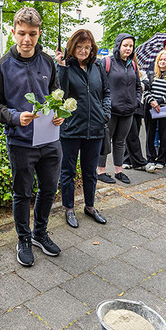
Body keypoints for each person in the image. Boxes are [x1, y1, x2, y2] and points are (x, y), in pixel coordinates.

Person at [0, 7, 64, 267]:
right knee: (22, 193)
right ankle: (24, 238)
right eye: (21, 33)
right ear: (13, 32)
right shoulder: (2, 67)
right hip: (20, 141)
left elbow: (55, 93)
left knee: (50, 188)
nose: (27, 39)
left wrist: (60, 112)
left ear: (39, 33)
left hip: (50, 139)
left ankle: (40, 232)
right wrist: (13, 116)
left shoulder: (49, 62)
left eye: (32, 34)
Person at [55, 30, 111, 227]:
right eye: (79, 46)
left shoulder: (97, 67)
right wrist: (61, 67)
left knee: (90, 171)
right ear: (72, 47)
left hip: (95, 128)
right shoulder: (65, 67)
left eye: (87, 47)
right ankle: (69, 208)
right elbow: (59, 94)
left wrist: (105, 113)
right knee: (68, 171)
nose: (83, 50)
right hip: (71, 128)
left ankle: (90, 206)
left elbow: (106, 92)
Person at [97, 33, 142, 185]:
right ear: (118, 46)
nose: (128, 48)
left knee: (120, 142)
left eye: (131, 46)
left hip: (128, 111)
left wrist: (136, 101)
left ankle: (118, 171)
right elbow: (100, 86)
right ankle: (101, 171)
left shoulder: (133, 64)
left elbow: (138, 86)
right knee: (105, 140)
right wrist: (104, 107)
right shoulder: (107, 62)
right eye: (125, 45)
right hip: (110, 111)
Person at [143, 50, 166, 172]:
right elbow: (146, 90)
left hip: (165, 109)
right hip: (151, 108)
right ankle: (151, 158)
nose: (162, 62)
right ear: (157, 61)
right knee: (150, 134)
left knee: (164, 135)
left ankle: (161, 160)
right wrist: (152, 101)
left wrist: (159, 101)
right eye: (161, 60)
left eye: (165, 60)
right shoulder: (151, 74)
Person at [122, 68, 149, 170]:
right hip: (124, 105)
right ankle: (129, 160)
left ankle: (130, 160)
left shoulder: (141, 72)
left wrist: (138, 85)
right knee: (128, 134)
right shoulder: (120, 70)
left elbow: (147, 85)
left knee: (135, 132)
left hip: (137, 105)